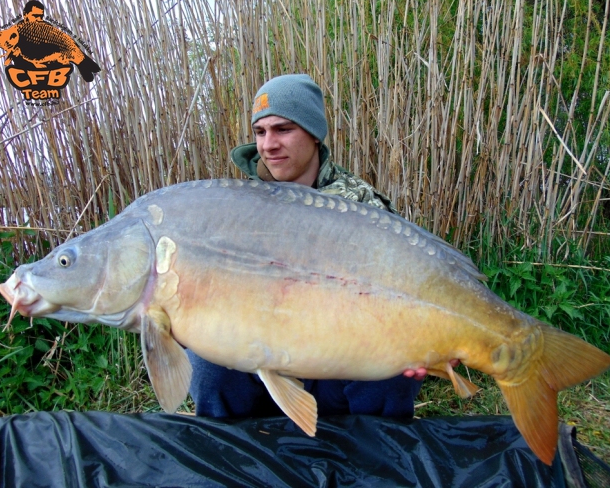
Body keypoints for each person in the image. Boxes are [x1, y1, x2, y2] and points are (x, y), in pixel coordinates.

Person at [187, 74, 452, 422]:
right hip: (259, 371)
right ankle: (237, 456)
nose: (268, 144)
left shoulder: (361, 207)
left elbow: (404, 290)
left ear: (313, 133)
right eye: (260, 132)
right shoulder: (237, 210)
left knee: (394, 370)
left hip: (336, 368)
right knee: (207, 362)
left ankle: (375, 458)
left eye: (283, 129)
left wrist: (425, 340)